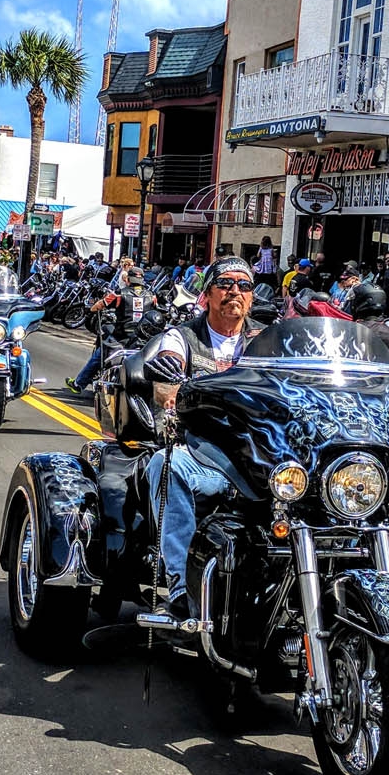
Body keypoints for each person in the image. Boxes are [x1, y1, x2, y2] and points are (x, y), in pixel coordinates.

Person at [143, 257, 261, 618]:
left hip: (259, 460)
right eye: (225, 283)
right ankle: (180, 588)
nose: (234, 292)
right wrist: (170, 380)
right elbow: (167, 373)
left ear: (252, 298)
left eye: (244, 285)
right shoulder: (184, 337)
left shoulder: (265, 340)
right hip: (203, 456)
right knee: (166, 466)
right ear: (208, 293)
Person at [66, 267, 152, 395]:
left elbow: (99, 306)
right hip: (143, 338)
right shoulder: (152, 296)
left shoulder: (118, 294)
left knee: (99, 355)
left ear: (128, 279)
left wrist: (92, 309)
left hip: (121, 336)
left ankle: (79, 384)